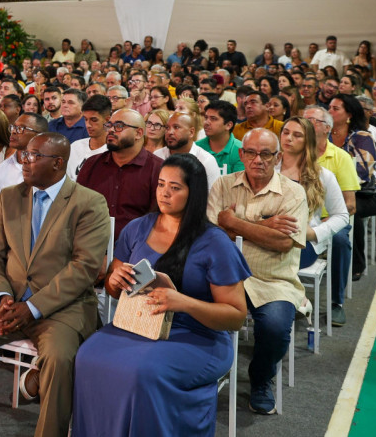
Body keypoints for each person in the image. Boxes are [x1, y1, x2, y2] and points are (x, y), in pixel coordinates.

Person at [0, 132, 109, 437]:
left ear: (58, 163)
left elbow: (84, 268)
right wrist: (1, 298)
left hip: (61, 307)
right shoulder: (10, 197)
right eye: (25, 154)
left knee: (60, 358)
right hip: (7, 300)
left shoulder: (88, 203)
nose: (25, 161)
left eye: (35, 155)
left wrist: (33, 308)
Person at [73, 154, 250, 437]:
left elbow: (235, 316)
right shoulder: (138, 228)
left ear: (194, 193)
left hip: (198, 337)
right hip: (139, 325)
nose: (164, 193)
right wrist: (113, 280)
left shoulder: (214, 242)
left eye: (175, 187)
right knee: (87, 357)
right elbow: (113, 288)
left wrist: (184, 303)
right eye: (160, 184)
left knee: (141, 372)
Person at [206, 129, 309, 414]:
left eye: (266, 154)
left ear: (278, 158)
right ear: (241, 154)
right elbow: (211, 234)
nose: (257, 160)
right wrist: (265, 225)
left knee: (276, 328)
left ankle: (261, 378)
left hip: (273, 279)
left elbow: (283, 242)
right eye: (250, 152)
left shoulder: (292, 192)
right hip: (224, 275)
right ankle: (202, 373)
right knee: (189, 311)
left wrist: (234, 223)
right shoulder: (222, 185)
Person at [278, 117, 349, 286]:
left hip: (303, 242)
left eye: (297, 135)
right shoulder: (267, 168)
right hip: (267, 235)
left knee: (272, 261)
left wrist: (314, 233)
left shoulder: (322, 176)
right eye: (286, 133)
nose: (289, 138)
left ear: (308, 140)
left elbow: (341, 215)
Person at [76, 109, 162, 238]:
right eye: (109, 125)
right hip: (92, 243)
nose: (111, 130)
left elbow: (157, 219)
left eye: (119, 126)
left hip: (135, 248)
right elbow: (78, 208)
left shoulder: (158, 168)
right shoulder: (92, 164)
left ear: (138, 133)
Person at [328, 94, 376, 280]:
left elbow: (362, 175)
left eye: (335, 109)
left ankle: (355, 262)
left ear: (349, 115)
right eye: (329, 107)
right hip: (330, 191)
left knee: (347, 210)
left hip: (366, 195)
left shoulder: (361, 137)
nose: (329, 111)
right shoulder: (324, 136)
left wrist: (330, 184)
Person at [154, 112, 222, 187]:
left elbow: (213, 196)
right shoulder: (157, 156)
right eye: (167, 128)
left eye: (176, 127)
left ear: (191, 132)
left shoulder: (206, 161)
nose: (169, 132)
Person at [65, 94, 111, 180]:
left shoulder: (113, 151)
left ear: (107, 120)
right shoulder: (75, 146)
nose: (88, 125)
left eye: (94, 120)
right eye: (85, 119)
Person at [197, 100, 243, 176]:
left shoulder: (240, 150)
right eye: (206, 118)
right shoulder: (196, 147)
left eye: (213, 119)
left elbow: (238, 185)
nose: (206, 122)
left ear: (228, 125)